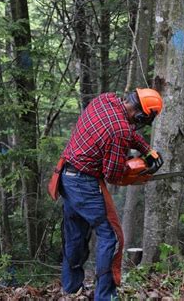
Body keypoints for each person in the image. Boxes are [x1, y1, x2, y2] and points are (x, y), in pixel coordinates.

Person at [58, 88, 164, 300]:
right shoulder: (120, 132)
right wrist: (134, 171)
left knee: (76, 234)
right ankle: (105, 296)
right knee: (112, 236)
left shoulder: (105, 100)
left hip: (66, 176)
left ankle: (71, 288)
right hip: (84, 184)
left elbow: (125, 131)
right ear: (142, 115)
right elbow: (113, 175)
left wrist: (147, 151)